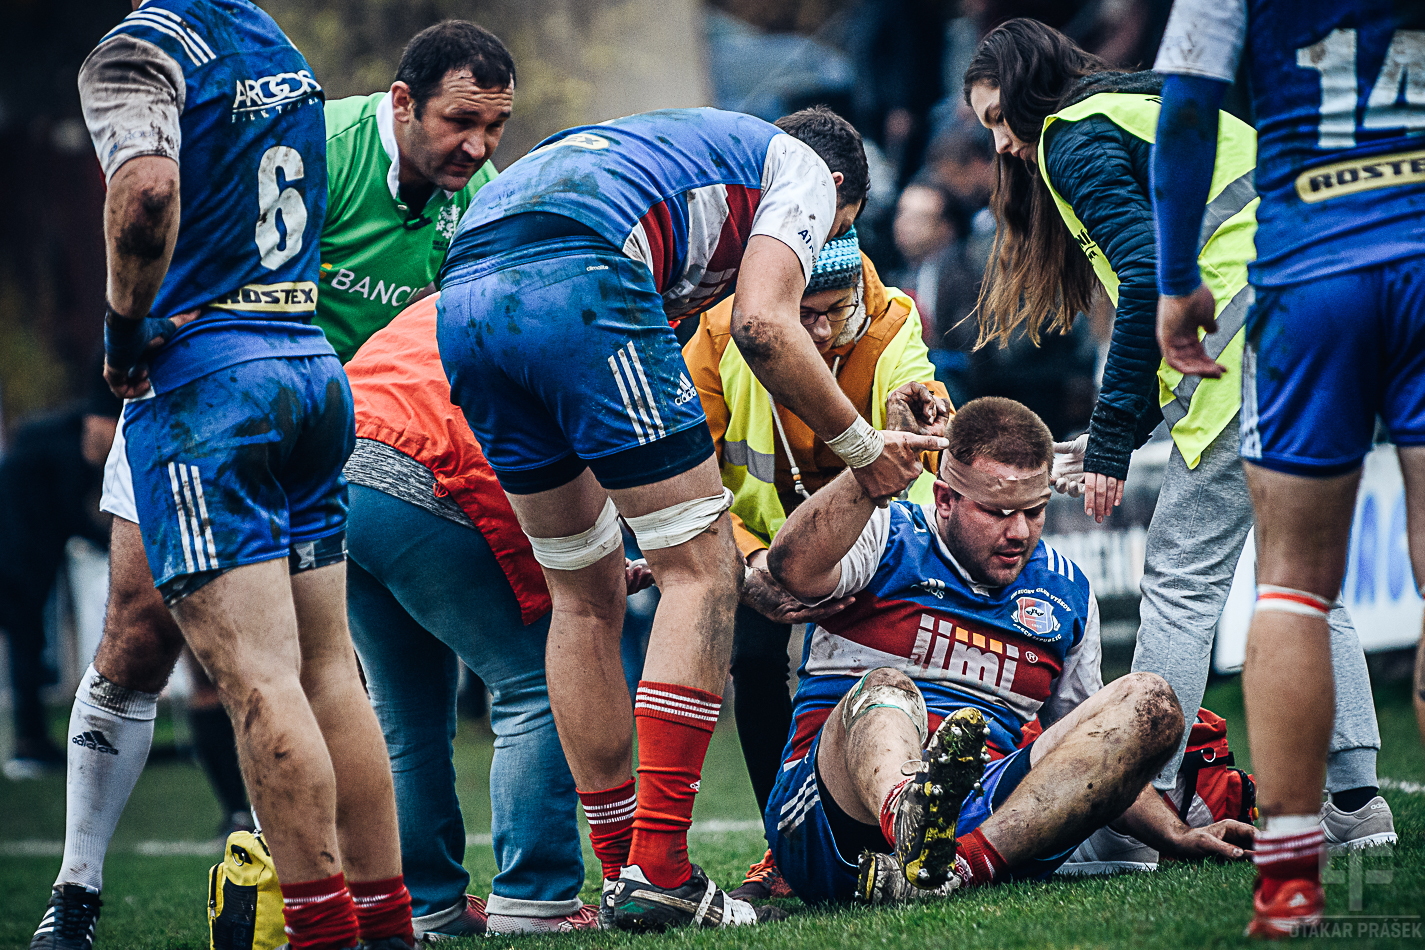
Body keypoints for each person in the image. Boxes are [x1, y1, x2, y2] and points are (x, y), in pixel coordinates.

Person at [33, 17, 513, 949]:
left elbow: (146, 195)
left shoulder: (136, 48)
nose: (476, 146)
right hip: (309, 382)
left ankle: (324, 929)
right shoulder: (278, 51)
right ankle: (382, 921)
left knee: (256, 676)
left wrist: (122, 333)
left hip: (209, 386)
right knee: (315, 666)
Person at [437, 104, 948, 931]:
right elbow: (761, 325)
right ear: (839, 188)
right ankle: (661, 871)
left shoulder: (674, 155)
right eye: (833, 228)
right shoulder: (804, 173)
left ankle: (617, 872)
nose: (821, 243)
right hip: (579, 269)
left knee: (586, 593)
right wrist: (860, 448)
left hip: (466, 290)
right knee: (703, 571)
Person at [962, 17, 1393, 870]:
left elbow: (1162, 283)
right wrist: (1118, 428)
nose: (1003, 146)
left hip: (1248, 347)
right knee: (1299, 578)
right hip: (1318, 325)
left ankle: (1135, 811)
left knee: (1179, 585)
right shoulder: (1143, 102)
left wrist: (1118, 439)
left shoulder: (1068, 136)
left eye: (995, 119)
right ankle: (1354, 801)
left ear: (1024, 92)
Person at [1149, 0, 1425, 936]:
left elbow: (1185, 105)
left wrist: (1176, 277)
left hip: (1312, 270)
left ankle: (1292, 881)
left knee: (1294, 586)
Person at [762, 396, 1253, 904]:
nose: (1018, 532)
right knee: (890, 688)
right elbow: (790, 569)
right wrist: (865, 473)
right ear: (946, 499)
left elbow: (1091, 749)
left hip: (986, 809)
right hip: (835, 815)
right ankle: (908, 817)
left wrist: (1174, 834)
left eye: (1034, 512)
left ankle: (956, 869)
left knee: (1152, 702)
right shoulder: (889, 532)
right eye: (996, 512)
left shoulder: (1066, 591)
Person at [344, 294, 652, 936]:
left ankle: (426, 905)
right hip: (432, 472)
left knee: (404, 717)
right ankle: (534, 899)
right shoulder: (587, 297)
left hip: (340, 471)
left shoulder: (468, 283)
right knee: (538, 683)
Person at [681, 225, 951, 899]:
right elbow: (688, 479)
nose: (824, 329)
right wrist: (747, 564)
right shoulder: (720, 334)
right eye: (804, 314)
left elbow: (919, 396)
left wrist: (931, 413)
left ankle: (912, 830)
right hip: (761, 552)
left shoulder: (890, 318)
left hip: (878, 552)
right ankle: (784, 849)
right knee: (752, 658)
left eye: (837, 309)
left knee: (897, 658)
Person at [0, 372, 117, 778]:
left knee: (28, 637)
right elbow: (73, 511)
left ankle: (32, 740)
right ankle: (29, 743)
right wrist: (113, 544)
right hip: (19, 546)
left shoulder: (52, 435)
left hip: (27, 541)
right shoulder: (74, 444)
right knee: (26, 635)